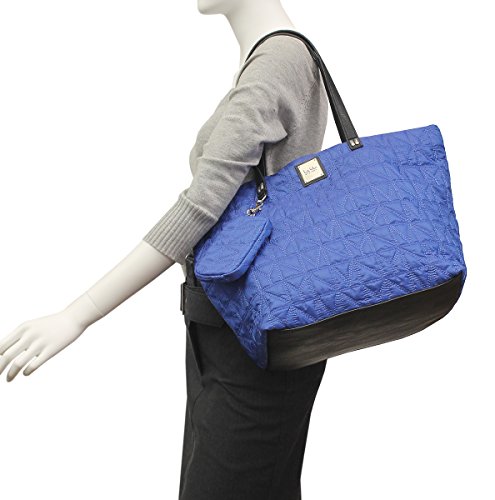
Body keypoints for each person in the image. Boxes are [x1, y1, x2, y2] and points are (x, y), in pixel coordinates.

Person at [0, 1, 329, 498]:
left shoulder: (278, 61)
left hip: (254, 342)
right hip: (231, 329)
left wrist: (78, 314)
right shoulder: (271, 57)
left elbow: (200, 208)